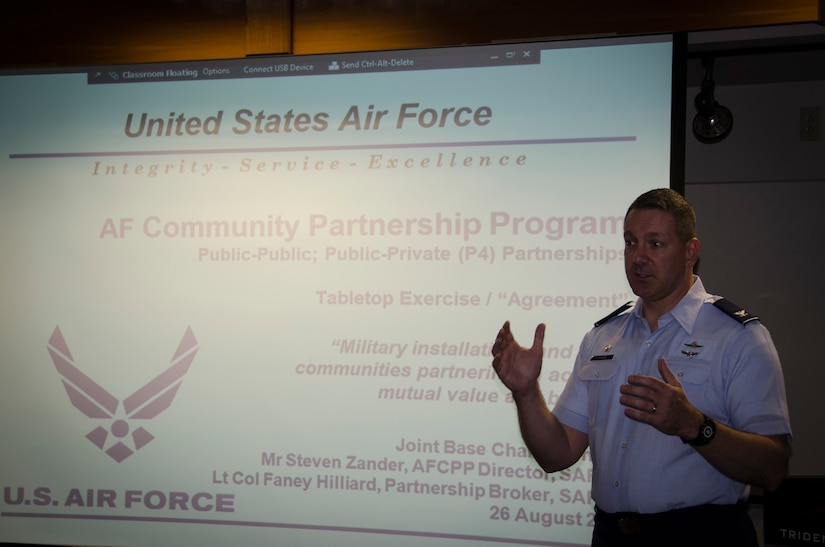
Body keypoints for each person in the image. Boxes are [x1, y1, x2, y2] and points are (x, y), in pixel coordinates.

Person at [491, 188, 791, 547]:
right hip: (611, 535)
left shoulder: (738, 337)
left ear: (690, 252)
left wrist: (694, 426)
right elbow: (558, 454)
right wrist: (525, 393)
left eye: (656, 244)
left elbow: (772, 469)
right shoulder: (602, 337)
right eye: (630, 243)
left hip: (702, 536)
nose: (638, 258)